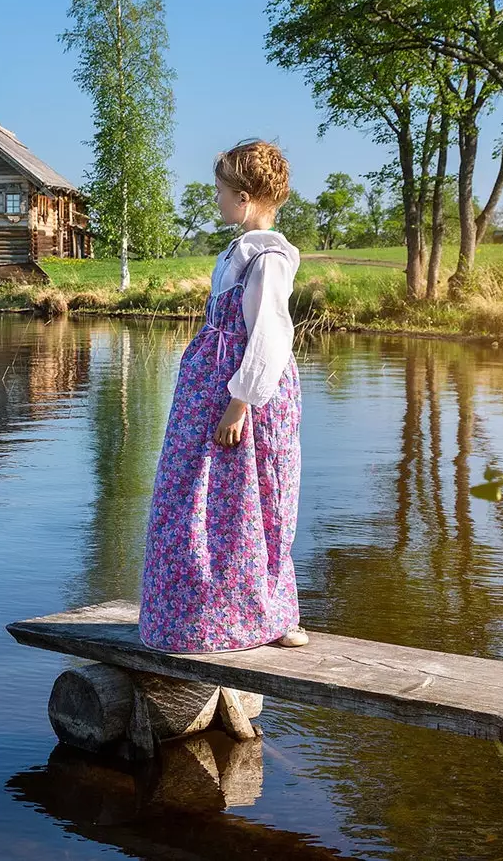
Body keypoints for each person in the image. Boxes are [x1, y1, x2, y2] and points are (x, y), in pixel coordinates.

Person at [138, 139, 306, 652]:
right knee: (195, 496)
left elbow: (272, 336)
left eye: (222, 190)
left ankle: (258, 613)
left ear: (248, 196)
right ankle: (194, 616)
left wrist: (240, 402)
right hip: (209, 393)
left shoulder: (268, 260)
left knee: (250, 499)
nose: (216, 198)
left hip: (242, 399)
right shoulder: (241, 251)